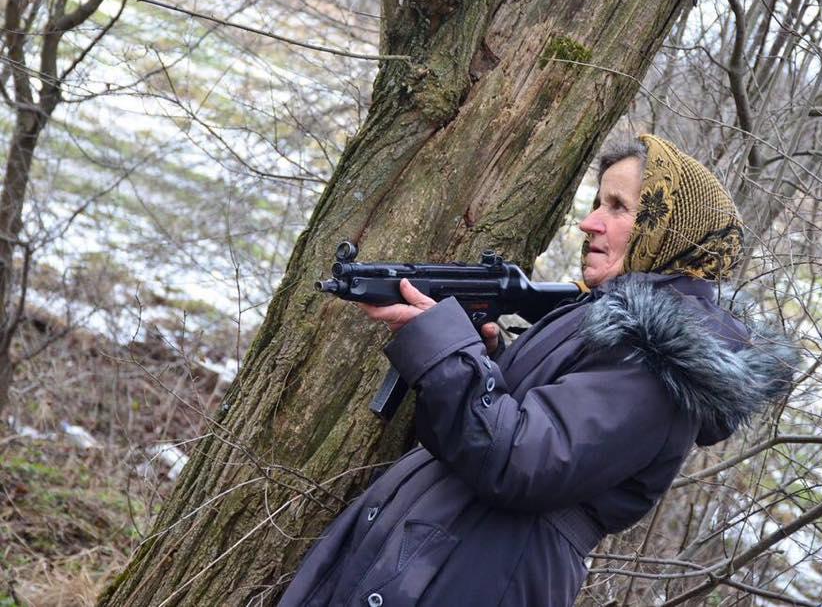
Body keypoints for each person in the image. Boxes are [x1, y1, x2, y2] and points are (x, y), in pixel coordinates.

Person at [279, 134, 795, 607]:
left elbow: (523, 460)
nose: (590, 223)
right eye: (598, 203)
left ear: (670, 228)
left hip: (484, 574)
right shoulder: (606, 317)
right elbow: (534, 420)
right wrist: (481, 357)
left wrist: (445, 349)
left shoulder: (663, 354)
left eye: (618, 207)